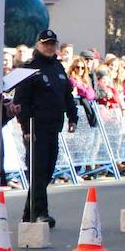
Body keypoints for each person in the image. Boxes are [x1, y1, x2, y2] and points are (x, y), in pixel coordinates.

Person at [13, 29, 78, 227]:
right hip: (36, 127)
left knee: (47, 171)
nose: (49, 47)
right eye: (46, 44)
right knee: (38, 171)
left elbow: (67, 95)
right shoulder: (30, 69)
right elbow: (21, 101)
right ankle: (40, 212)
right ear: (38, 45)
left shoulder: (58, 67)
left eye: (52, 44)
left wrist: (73, 117)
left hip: (54, 127)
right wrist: (25, 127)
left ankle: (29, 213)